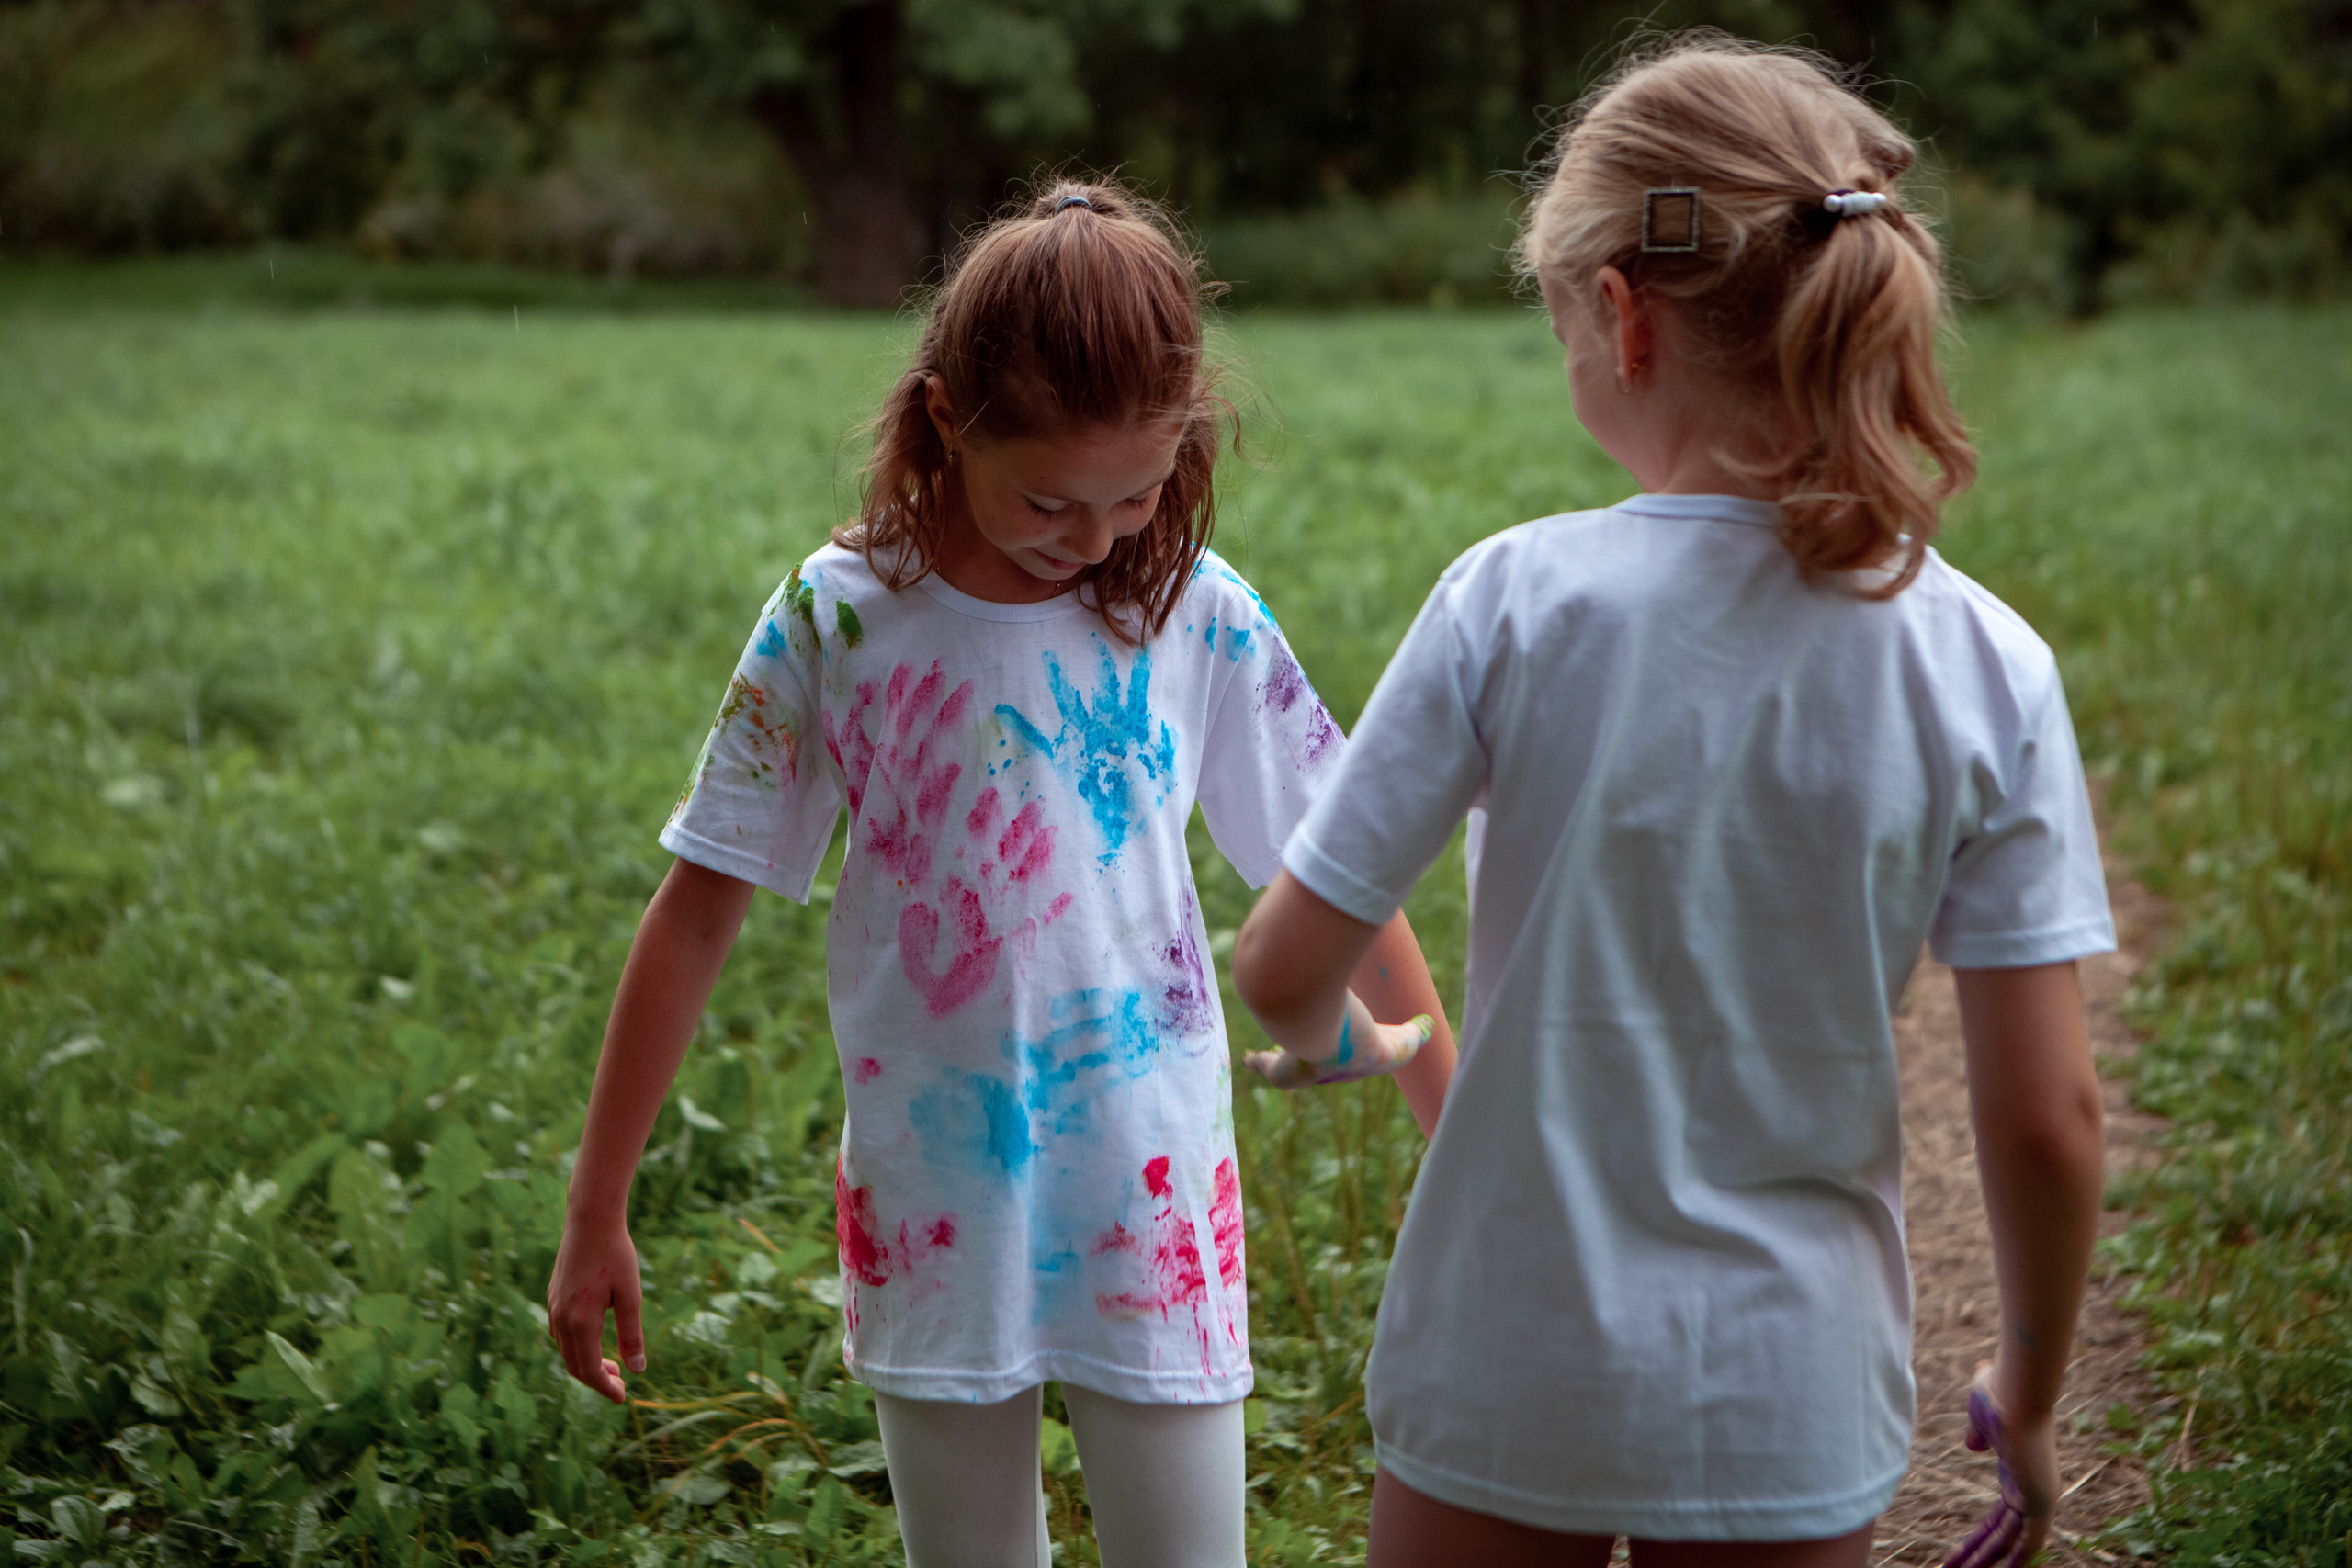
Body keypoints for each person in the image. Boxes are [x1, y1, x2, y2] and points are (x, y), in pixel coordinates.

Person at [1229, 36, 2111, 1568]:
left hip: (1505, 1365)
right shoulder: (1988, 664)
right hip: (1794, 1394)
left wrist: (1329, 1046)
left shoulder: (1513, 600)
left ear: (1622, 320)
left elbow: (1286, 964)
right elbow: (2046, 1121)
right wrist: (2027, 1393)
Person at [544, 178, 1456, 1568]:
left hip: (1153, 1202)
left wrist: (1456, 1135)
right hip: (935, 1207)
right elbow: (699, 909)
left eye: (1140, 494)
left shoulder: (1197, 615)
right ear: (942, 423)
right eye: (1051, 499)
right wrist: (596, 1206)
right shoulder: (836, 619)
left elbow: (1343, 883)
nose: (1098, 540)